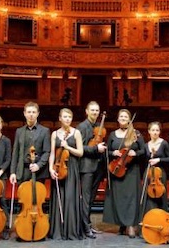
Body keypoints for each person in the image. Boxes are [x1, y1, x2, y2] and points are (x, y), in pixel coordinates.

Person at [103, 109, 146, 238]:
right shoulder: (112, 135)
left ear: (129, 119)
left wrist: (135, 153)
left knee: (131, 199)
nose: (122, 118)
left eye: (125, 116)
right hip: (117, 169)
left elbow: (143, 150)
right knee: (119, 199)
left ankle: (131, 225)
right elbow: (107, 152)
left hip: (131, 170)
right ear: (117, 119)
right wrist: (113, 153)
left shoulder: (135, 134)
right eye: (120, 116)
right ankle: (122, 224)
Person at [48, 108, 84, 240]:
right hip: (58, 167)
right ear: (60, 118)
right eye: (65, 116)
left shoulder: (76, 133)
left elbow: (80, 152)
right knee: (58, 199)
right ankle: (58, 231)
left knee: (69, 198)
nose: (67, 119)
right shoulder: (54, 134)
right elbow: (52, 153)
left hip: (71, 168)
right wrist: (51, 168)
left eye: (69, 116)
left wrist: (67, 147)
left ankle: (70, 231)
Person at [77, 101, 107, 238]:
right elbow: (80, 148)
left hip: (98, 166)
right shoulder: (82, 127)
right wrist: (96, 148)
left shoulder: (98, 126)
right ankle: (85, 228)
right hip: (87, 167)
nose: (95, 112)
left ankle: (88, 223)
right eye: (92, 110)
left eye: (97, 110)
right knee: (86, 198)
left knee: (92, 198)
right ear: (86, 111)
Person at [9, 101, 51, 188]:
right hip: (22, 171)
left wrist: (38, 165)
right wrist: (12, 172)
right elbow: (15, 153)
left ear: (38, 114)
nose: (31, 114)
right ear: (24, 113)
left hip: (38, 172)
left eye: (33, 112)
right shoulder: (19, 131)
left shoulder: (45, 131)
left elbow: (47, 151)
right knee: (23, 199)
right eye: (29, 112)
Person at [141, 121, 169, 215]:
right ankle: (149, 218)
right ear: (149, 131)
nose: (155, 132)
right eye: (153, 130)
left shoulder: (164, 143)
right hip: (149, 173)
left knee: (161, 196)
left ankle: (162, 219)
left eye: (157, 130)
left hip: (160, 174)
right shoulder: (146, 146)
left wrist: (159, 160)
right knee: (148, 196)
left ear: (160, 132)